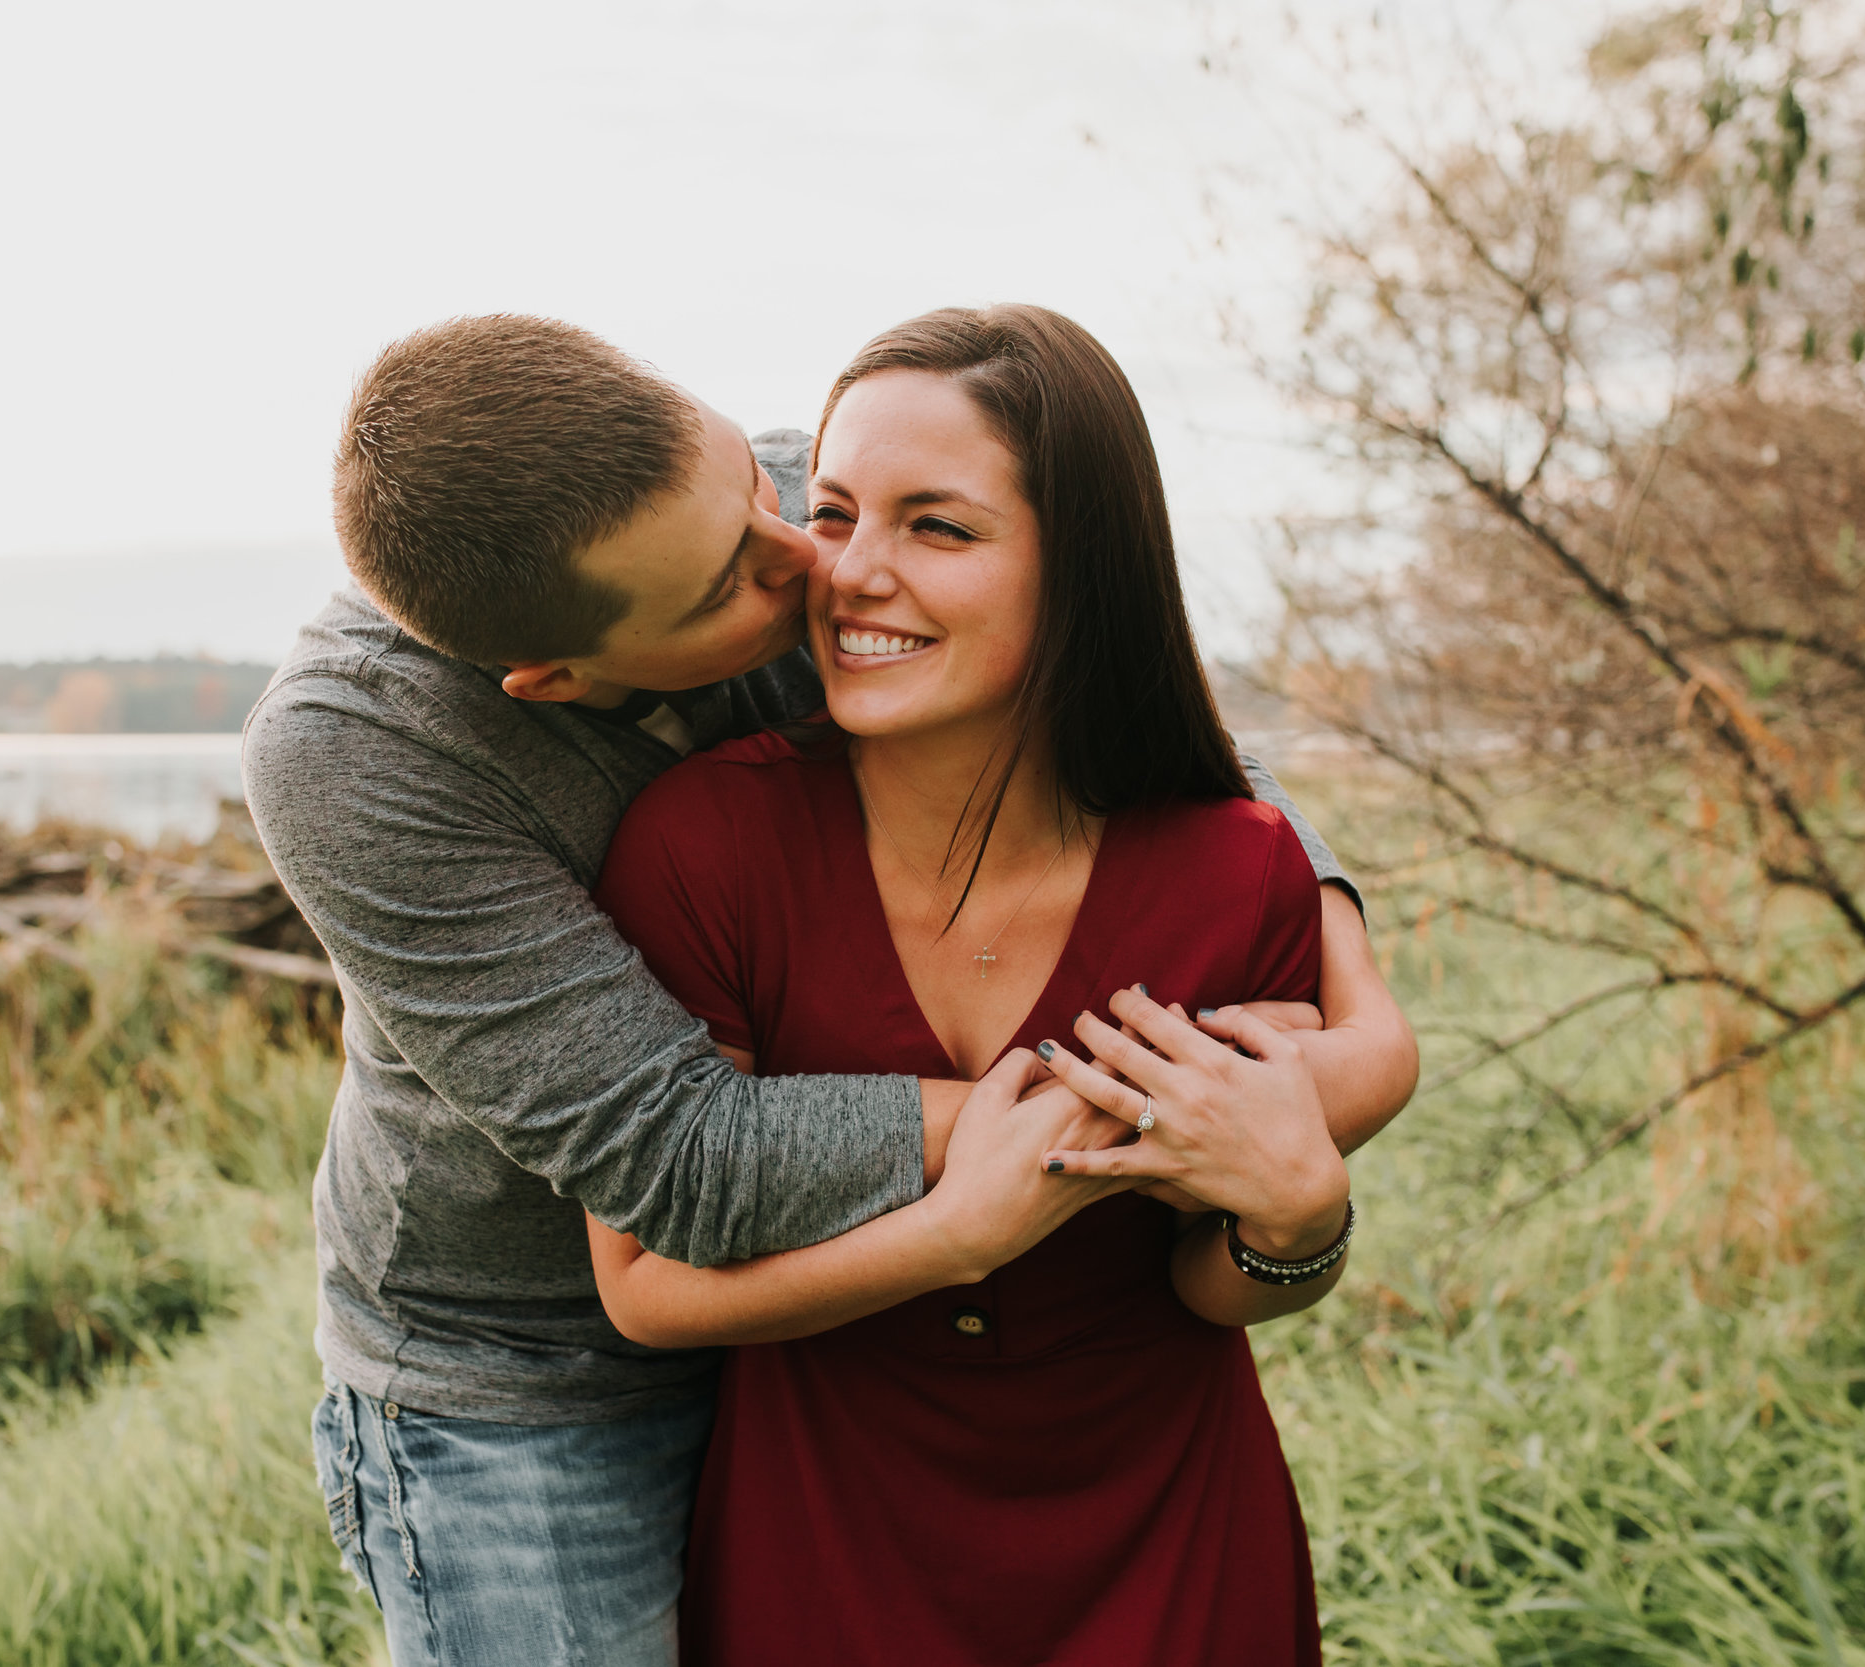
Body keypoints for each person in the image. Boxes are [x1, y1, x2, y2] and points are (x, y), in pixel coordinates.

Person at [241, 315, 1417, 1667]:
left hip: (827, 1347)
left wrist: (1364, 1040)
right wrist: (1114, 1102)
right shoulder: (358, 754)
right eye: (730, 585)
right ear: (558, 678)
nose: (818, 565)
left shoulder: (802, 506)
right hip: (529, 1383)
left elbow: (1132, 713)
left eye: (766, 490)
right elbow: (682, 1157)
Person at [588, 305, 1375, 1665]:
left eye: (936, 528)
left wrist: (1300, 1217)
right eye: (833, 515)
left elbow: (1204, 1283)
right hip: (828, 1550)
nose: (851, 574)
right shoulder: (701, 847)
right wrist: (958, 1234)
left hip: (1171, 1542)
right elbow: (647, 1282)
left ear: (1082, 572)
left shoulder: (1234, 869)